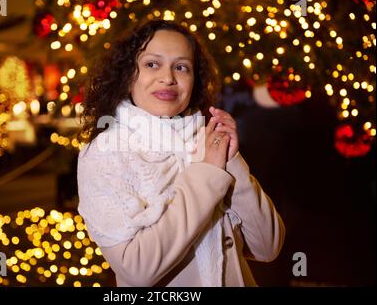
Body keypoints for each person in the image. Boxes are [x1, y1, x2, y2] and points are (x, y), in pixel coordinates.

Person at [77, 20, 285, 287]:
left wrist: (232, 161)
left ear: (193, 79)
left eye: (181, 67)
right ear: (128, 75)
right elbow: (137, 271)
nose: (168, 78)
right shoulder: (105, 153)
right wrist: (208, 173)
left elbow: (268, 247)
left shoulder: (208, 139)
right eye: (152, 64)